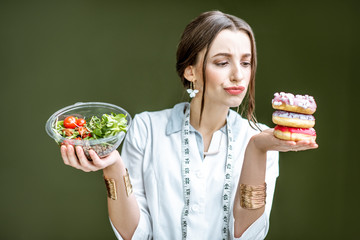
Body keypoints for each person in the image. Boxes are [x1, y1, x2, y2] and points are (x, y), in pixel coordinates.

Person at [60, 10, 318, 240]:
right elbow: (134, 235)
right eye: (222, 62)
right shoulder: (147, 128)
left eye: (246, 62)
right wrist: (113, 167)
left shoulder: (262, 138)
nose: (238, 74)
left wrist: (257, 149)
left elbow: (248, 236)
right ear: (190, 71)